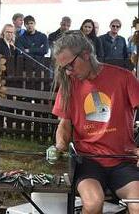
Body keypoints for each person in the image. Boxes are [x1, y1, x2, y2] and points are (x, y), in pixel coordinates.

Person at [52, 32, 139, 214]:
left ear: (85, 54)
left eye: (70, 65)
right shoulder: (69, 84)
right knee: (93, 203)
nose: (68, 72)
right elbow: (65, 124)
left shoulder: (124, 78)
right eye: (64, 68)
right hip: (88, 162)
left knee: (137, 203)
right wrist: (59, 145)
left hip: (122, 161)